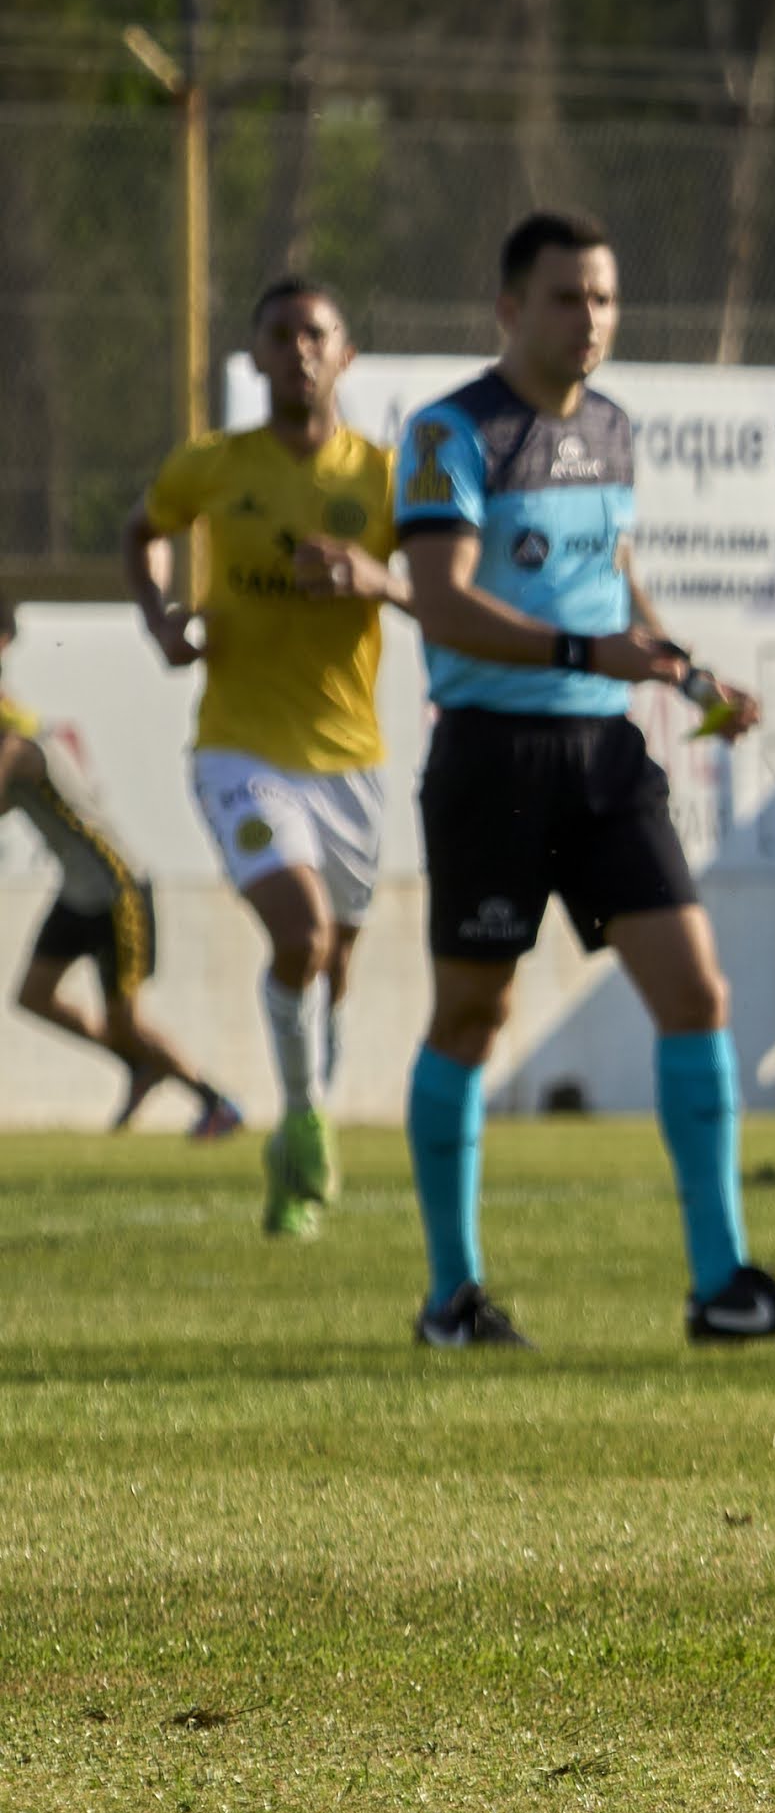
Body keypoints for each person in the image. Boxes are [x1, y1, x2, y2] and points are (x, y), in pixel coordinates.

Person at [388, 209, 775, 1351]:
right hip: (492, 755)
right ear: (508, 308)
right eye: (564, 298)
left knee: (696, 995)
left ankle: (722, 1285)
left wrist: (691, 683)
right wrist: (597, 657)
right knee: (472, 1016)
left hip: (606, 757)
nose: (588, 319)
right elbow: (440, 604)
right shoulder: (450, 434)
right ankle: (452, 1299)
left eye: (602, 298)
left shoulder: (620, 432)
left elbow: (617, 589)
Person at [127, 277, 387, 1215]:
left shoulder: (381, 478)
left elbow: (433, 587)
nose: (299, 351)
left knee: (335, 968)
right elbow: (143, 531)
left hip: (350, 761)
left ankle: (293, 1141)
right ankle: (308, 1121)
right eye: (280, 336)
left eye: (316, 335)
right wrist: (161, 621)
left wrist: (372, 577)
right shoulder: (212, 464)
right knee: (302, 935)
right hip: (238, 748)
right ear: (256, 357)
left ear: (345, 355)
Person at [4, 601, 239, 1142]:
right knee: (33, 997)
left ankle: (216, 1101)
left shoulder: (19, 747)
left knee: (126, 1022)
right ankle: (137, 1065)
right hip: (78, 891)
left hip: (117, 888)